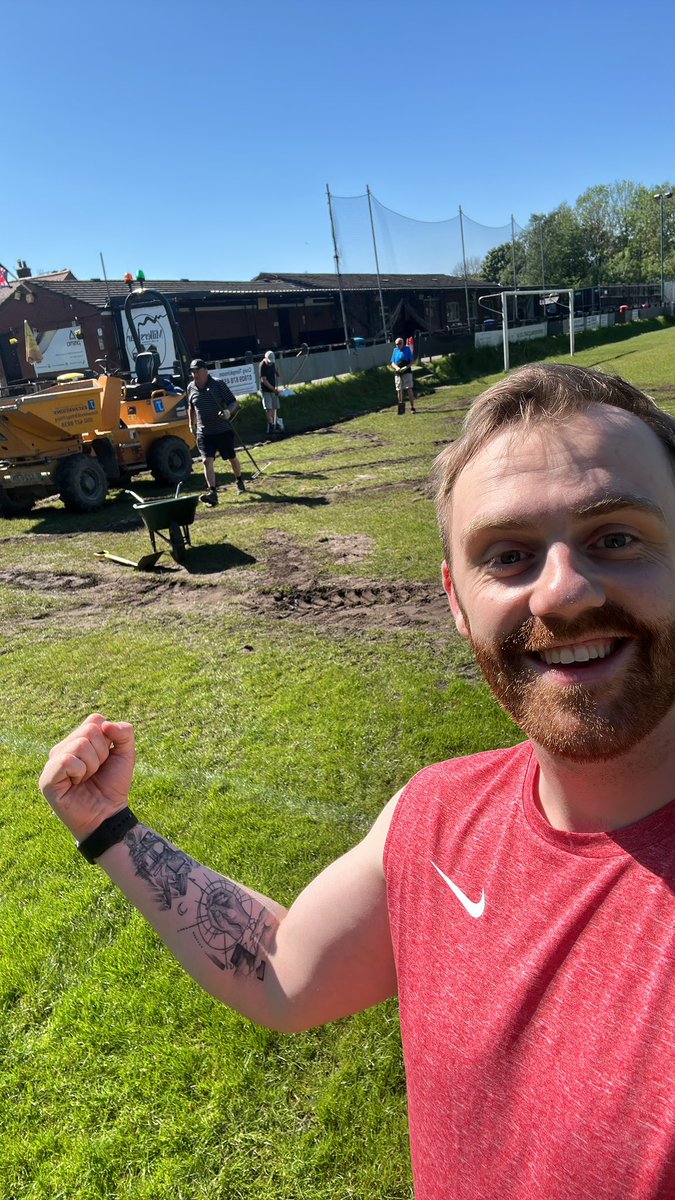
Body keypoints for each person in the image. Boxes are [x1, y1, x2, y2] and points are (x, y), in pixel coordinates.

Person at [39, 361, 675, 1199]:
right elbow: (279, 967)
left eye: (614, 537)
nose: (559, 592)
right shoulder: (434, 818)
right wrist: (108, 827)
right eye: (509, 556)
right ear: (455, 599)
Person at [187, 358, 245, 504]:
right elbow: (191, 407)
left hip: (222, 430)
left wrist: (228, 412)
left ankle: (239, 481)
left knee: (231, 457)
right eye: (193, 372)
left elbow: (233, 401)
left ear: (205, 371)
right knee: (207, 461)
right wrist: (191, 424)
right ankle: (212, 493)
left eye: (197, 371)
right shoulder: (190, 387)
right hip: (204, 432)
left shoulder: (218, 384)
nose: (195, 374)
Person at [391, 336, 416, 414]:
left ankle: (412, 407)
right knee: (399, 389)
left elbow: (412, 361)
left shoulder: (407, 349)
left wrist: (406, 367)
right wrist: (397, 368)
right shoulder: (395, 350)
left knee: (408, 388)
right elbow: (392, 362)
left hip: (407, 371)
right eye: (396, 344)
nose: (398, 345)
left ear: (403, 343)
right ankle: (401, 408)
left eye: (399, 344)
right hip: (398, 372)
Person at [259, 350, 281, 436]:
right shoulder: (262, 366)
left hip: (273, 389)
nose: (271, 363)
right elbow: (264, 380)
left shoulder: (272, 363)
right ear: (266, 358)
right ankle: (271, 426)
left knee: (275, 407)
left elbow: (274, 368)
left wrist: (277, 373)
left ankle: (276, 424)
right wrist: (273, 389)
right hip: (266, 390)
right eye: (269, 361)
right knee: (268, 408)